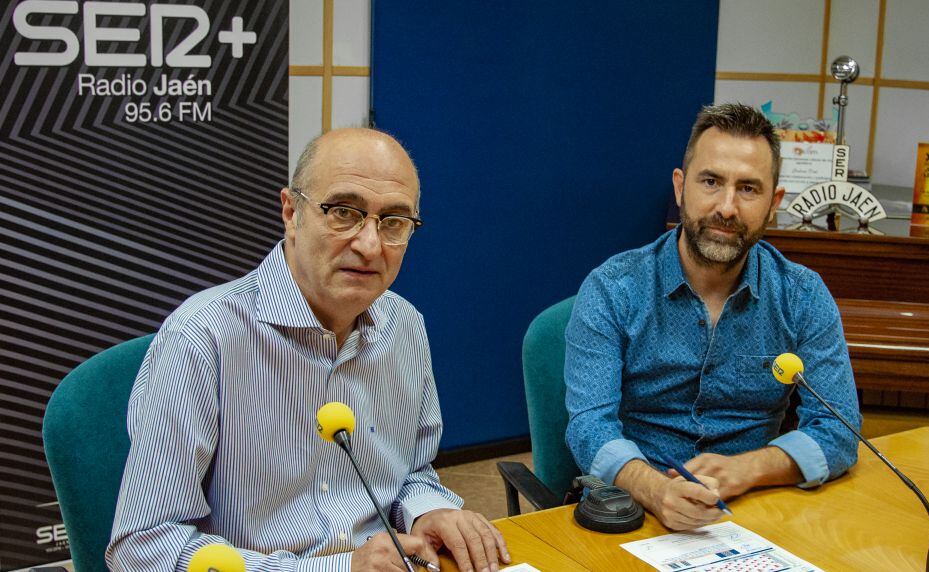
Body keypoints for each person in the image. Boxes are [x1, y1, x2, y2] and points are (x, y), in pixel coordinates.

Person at [107, 128, 511, 572]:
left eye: (393, 222)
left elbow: (410, 472)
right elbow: (141, 547)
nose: (370, 244)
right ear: (290, 212)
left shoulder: (405, 326)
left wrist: (429, 511)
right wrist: (338, 568)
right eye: (344, 212)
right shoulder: (203, 338)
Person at [564, 103, 860, 531]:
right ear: (680, 187)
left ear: (774, 202)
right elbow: (589, 426)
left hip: (755, 511)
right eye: (711, 181)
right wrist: (655, 489)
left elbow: (839, 428)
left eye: (748, 189)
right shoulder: (612, 289)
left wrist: (748, 469)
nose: (726, 207)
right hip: (634, 510)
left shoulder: (803, 295)